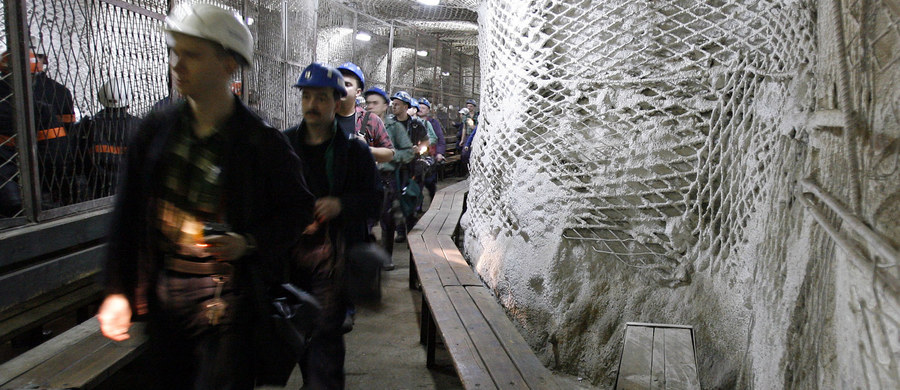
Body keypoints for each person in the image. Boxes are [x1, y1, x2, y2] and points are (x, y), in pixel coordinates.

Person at [96, 4, 315, 388]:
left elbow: (297, 209)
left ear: (229, 64)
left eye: (192, 55)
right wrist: (118, 290)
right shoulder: (158, 129)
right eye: (175, 52)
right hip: (167, 301)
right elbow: (127, 212)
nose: (177, 65)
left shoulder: (260, 141)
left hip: (229, 305)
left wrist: (248, 242)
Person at [284, 62, 381, 389]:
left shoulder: (354, 151)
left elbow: (375, 199)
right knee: (290, 343)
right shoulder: (283, 147)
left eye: (321, 98)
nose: (312, 104)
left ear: (337, 101)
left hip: (332, 270)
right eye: (307, 96)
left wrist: (341, 205)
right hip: (289, 267)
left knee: (325, 354)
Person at [364, 87, 414, 263]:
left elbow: (408, 153)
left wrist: (388, 157)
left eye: (375, 103)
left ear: (385, 106)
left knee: (387, 219)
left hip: (386, 179)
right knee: (365, 220)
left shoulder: (395, 127)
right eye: (367, 103)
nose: (370, 106)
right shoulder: (361, 125)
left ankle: (386, 258)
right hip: (365, 179)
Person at [73, 78, 141, 198]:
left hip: (97, 191)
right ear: (129, 102)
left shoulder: (88, 126)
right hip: (131, 191)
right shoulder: (140, 126)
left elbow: (79, 162)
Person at [389, 91, 430, 243]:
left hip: (412, 168)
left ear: (406, 107)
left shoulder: (415, 125)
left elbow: (425, 142)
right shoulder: (389, 124)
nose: (394, 106)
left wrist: (418, 150)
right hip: (394, 168)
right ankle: (400, 232)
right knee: (395, 199)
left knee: (410, 198)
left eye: (397, 104)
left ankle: (411, 230)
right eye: (393, 104)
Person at [334, 62, 393, 164]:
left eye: (347, 84)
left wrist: (366, 149)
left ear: (358, 92)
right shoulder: (322, 117)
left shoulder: (370, 120)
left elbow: (389, 154)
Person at [416, 97, 445, 201]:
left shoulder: (433, 123)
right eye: (419, 107)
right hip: (416, 156)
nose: (420, 109)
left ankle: (433, 199)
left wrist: (440, 153)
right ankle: (417, 207)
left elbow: (440, 139)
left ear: (428, 110)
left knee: (429, 181)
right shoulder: (412, 121)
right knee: (417, 183)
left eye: (423, 108)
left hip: (429, 156)